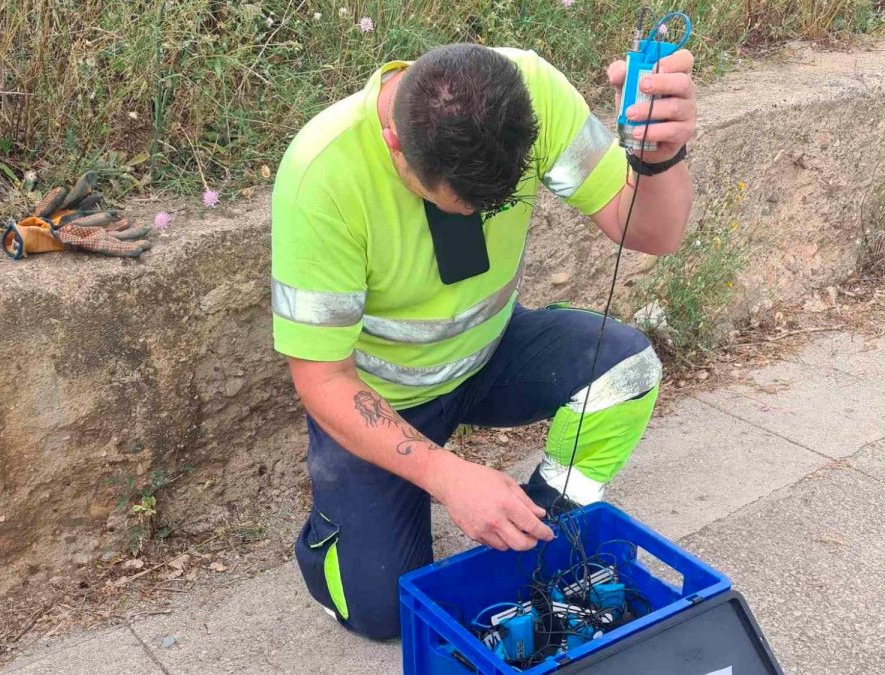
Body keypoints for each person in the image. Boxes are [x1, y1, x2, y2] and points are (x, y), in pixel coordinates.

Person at [270, 42, 696, 640]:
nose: (477, 215)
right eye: (460, 204)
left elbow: (653, 231)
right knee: (384, 615)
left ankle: (548, 520)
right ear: (396, 143)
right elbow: (320, 378)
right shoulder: (322, 174)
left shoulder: (529, 93)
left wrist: (661, 156)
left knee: (626, 368)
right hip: (379, 396)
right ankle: (330, 536)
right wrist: (449, 477)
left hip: (489, 353)